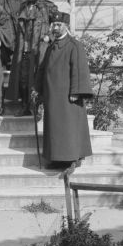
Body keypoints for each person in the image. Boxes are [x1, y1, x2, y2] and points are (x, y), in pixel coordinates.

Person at [32, 11, 93, 168]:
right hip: (52, 97)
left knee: (69, 127)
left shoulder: (74, 45)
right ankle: (56, 159)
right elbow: (43, 69)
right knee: (54, 129)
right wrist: (37, 89)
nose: (56, 27)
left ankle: (72, 159)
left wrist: (76, 92)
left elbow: (79, 70)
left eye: (59, 25)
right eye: (54, 24)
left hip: (68, 97)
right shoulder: (51, 46)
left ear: (66, 26)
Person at [7, 0, 58, 116]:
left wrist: (50, 37)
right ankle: (25, 106)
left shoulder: (48, 7)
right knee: (23, 79)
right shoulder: (22, 7)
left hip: (40, 49)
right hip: (24, 49)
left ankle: (37, 107)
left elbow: (61, 24)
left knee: (38, 78)